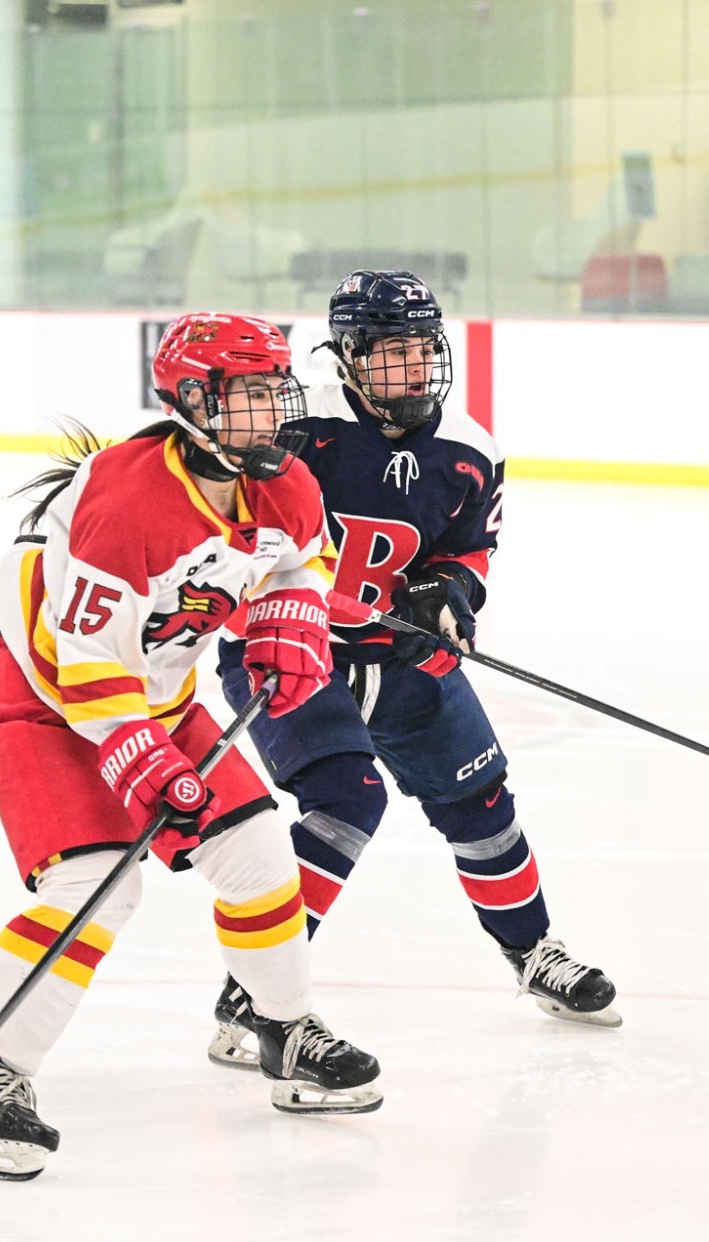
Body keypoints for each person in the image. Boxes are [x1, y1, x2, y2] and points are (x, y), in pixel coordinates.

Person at [0, 312, 383, 1183]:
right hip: (44, 703)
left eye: (272, 391)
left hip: (162, 698)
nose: (269, 413)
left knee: (257, 856)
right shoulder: (125, 500)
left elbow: (303, 554)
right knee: (99, 886)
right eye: (247, 396)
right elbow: (86, 663)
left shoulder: (280, 483)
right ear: (190, 402)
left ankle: (283, 1033)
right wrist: (141, 762)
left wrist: (292, 614)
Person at [204, 270, 620, 1073]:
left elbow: (471, 548)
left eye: (424, 351)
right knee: (345, 799)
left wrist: (451, 591)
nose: (415, 370)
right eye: (393, 354)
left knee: (481, 802)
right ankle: (256, 993)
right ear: (351, 357)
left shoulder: (469, 449)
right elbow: (233, 525)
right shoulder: (303, 431)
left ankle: (532, 952)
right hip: (293, 650)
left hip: (402, 659)